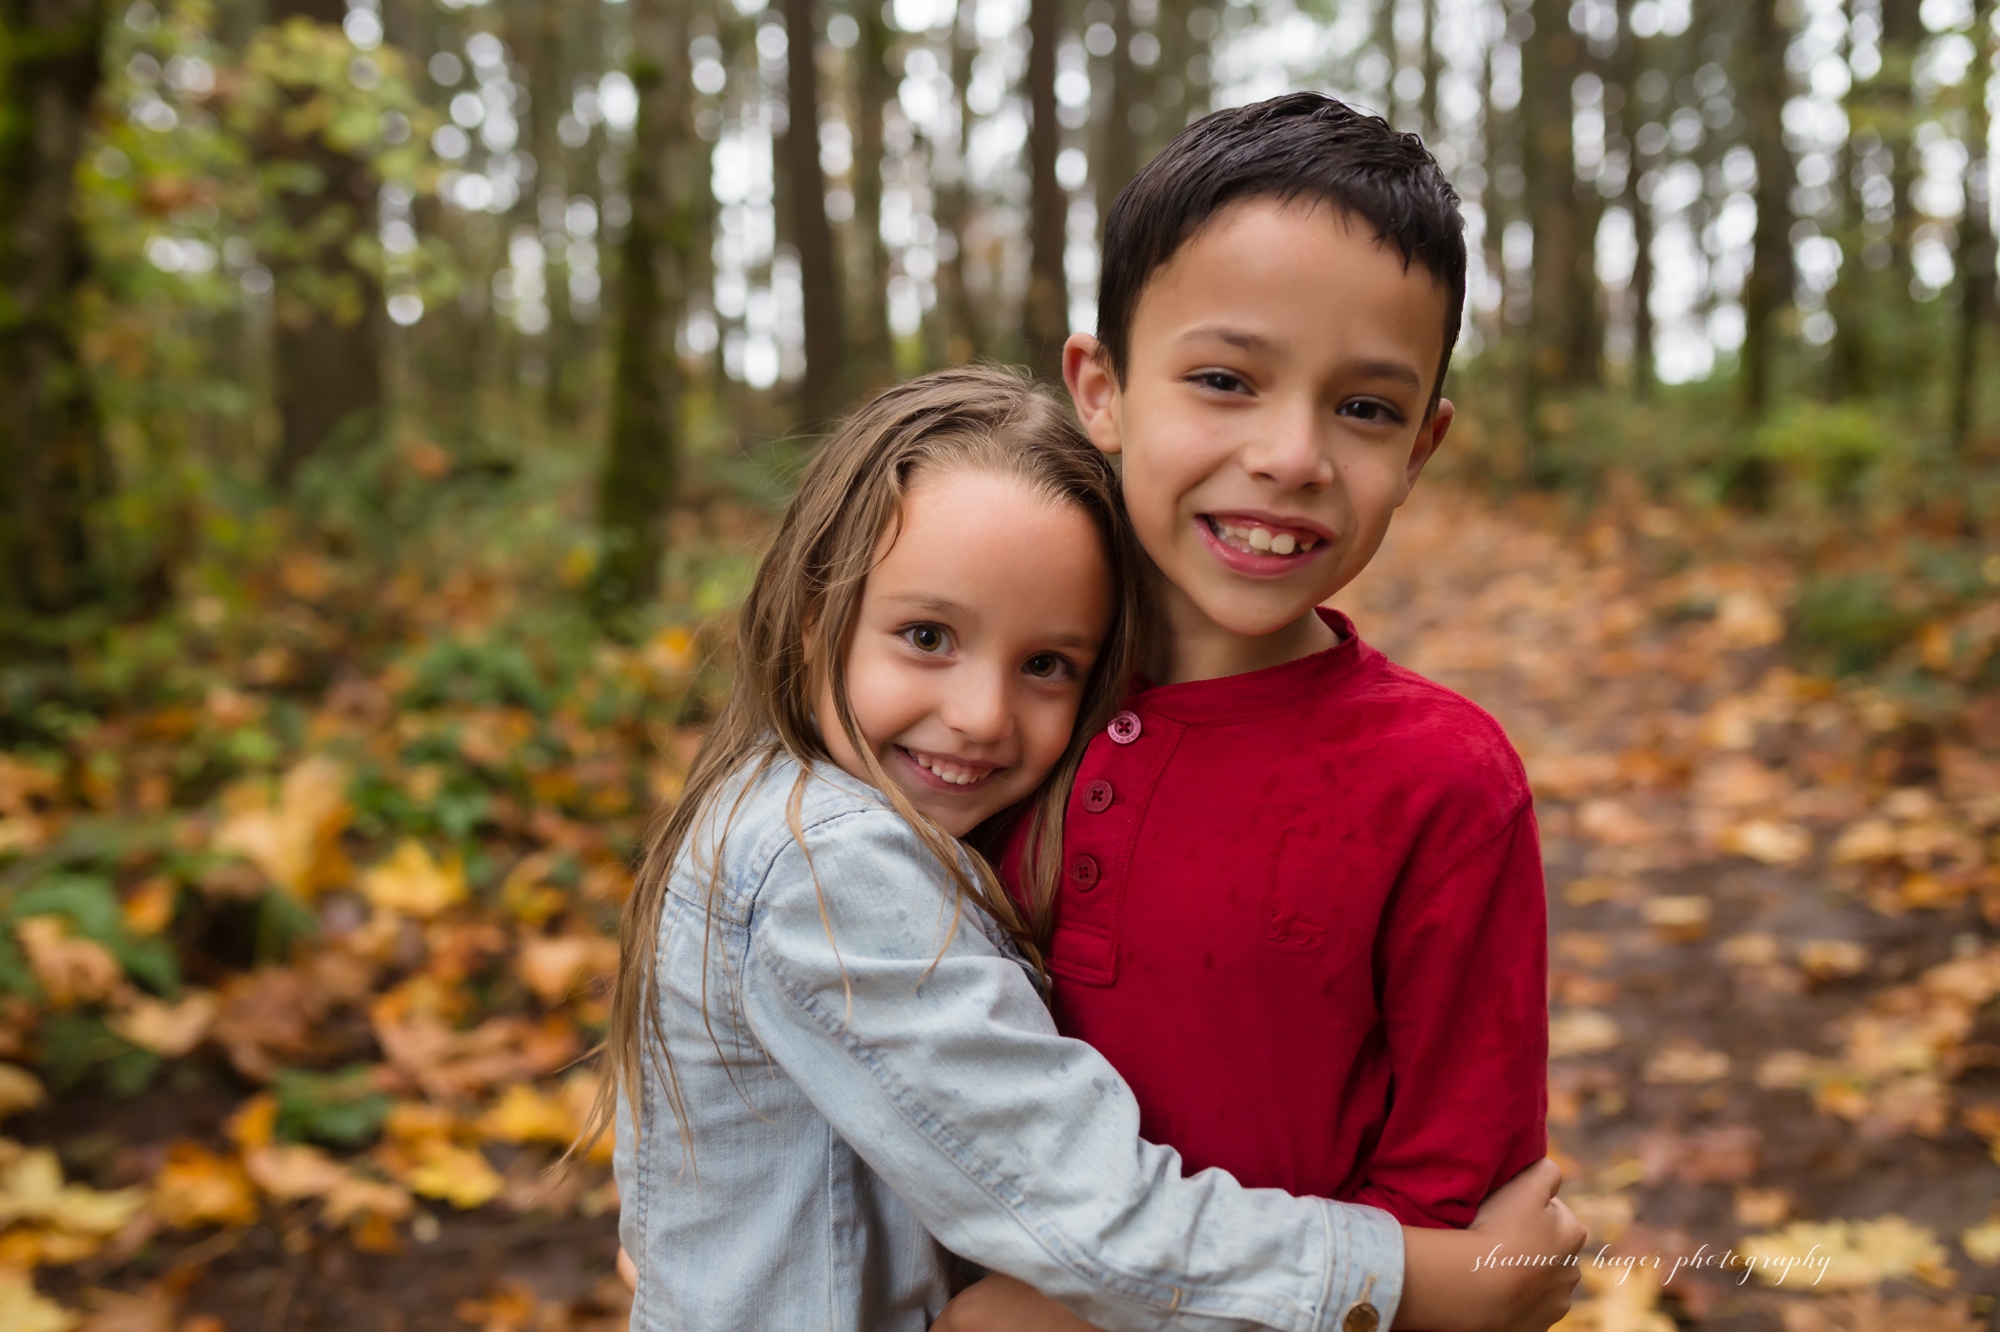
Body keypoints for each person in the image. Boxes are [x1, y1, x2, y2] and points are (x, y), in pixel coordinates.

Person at [592, 366, 1584, 1332]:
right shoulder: (823, 862)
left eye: (1046, 665)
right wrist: (1419, 1284)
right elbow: (1091, 1216)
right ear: (816, 615)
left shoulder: (788, 808)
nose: (980, 717)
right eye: (927, 637)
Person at [966, 94, 1555, 1331]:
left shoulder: (1440, 782)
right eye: (1225, 379)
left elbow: (1456, 1203)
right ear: (1102, 387)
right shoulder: (981, 710)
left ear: (1422, 446)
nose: (1292, 454)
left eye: (1364, 408)